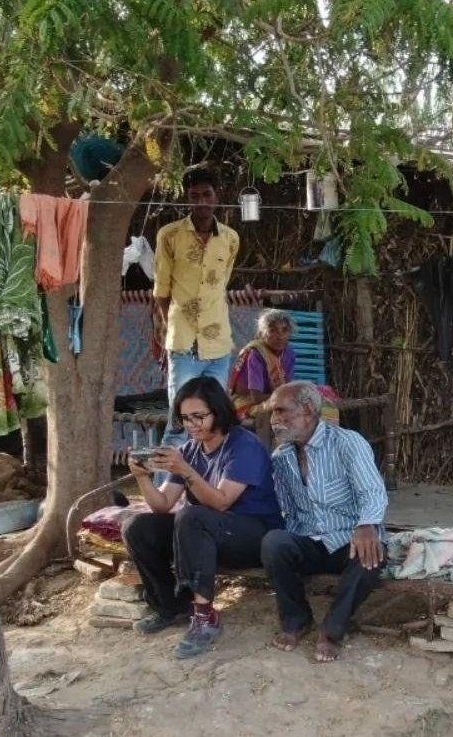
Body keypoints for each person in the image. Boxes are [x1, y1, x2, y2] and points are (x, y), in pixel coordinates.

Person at [122, 376, 283, 659]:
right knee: (137, 527)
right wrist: (142, 478)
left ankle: (205, 617)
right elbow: (162, 504)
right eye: (185, 418)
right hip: (208, 531)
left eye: (199, 416)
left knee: (192, 516)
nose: (191, 425)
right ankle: (171, 607)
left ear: (218, 411)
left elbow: (221, 503)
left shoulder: (244, 445)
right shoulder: (189, 450)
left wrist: (185, 470)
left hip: (254, 535)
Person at [260, 381, 387, 663]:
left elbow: (373, 491)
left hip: (349, 539)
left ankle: (331, 631)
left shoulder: (347, 442)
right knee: (273, 543)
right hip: (310, 541)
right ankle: (296, 621)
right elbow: (288, 511)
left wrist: (367, 526)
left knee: (372, 556)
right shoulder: (281, 457)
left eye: (281, 411)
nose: (275, 420)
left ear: (307, 410)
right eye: (272, 413)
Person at [153, 168, 239, 447]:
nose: (201, 201)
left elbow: (221, 285)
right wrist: (170, 333)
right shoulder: (169, 235)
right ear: (186, 200)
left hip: (219, 347)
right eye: (194, 196)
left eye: (207, 195)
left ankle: (207, 485)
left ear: (217, 198)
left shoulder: (230, 239)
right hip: (184, 345)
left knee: (216, 422)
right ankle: (163, 490)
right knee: (180, 424)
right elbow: (162, 291)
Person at [229, 309, 297, 442]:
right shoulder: (256, 354)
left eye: (285, 330)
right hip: (246, 403)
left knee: (317, 404)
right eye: (273, 330)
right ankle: (270, 453)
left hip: (273, 397)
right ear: (262, 334)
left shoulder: (289, 353)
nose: (280, 336)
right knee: (275, 411)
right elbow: (256, 397)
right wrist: (287, 398)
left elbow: (287, 386)